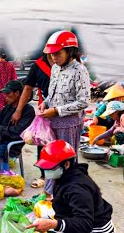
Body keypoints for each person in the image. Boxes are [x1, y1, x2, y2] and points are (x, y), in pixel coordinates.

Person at [39, 29, 91, 195]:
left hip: (69, 124)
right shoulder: (55, 68)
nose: (54, 57)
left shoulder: (79, 70)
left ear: (70, 51)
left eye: (58, 53)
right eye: (52, 54)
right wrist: (45, 104)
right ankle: (50, 191)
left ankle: (66, 193)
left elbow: (84, 102)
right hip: (52, 122)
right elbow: (51, 93)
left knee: (64, 162)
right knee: (50, 158)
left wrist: (57, 110)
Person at [28, 139, 115, 233]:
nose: (46, 172)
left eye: (51, 168)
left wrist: (54, 224)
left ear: (66, 164)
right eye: (45, 168)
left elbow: (85, 224)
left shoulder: (77, 189)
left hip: (97, 229)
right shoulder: (66, 175)